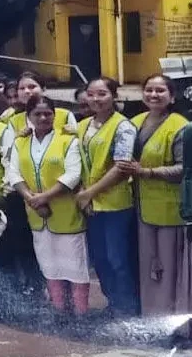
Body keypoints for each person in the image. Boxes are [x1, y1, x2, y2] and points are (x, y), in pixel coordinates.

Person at [7, 96, 89, 316]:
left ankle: (81, 315)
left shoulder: (68, 141)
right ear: (29, 117)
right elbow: (13, 173)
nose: (43, 118)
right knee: (49, 265)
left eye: (48, 113)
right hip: (37, 215)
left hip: (66, 213)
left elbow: (73, 174)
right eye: (37, 114)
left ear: (54, 115)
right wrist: (30, 198)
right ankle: (59, 311)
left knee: (75, 267)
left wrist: (43, 197)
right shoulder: (20, 142)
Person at [73, 77, 139, 317]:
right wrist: (85, 194)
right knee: (99, 259)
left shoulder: (123, 127)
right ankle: (112, 303)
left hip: (115, 205)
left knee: (117, 259)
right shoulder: (83, 126)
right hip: (90, 205)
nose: (96, 99)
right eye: (91, 94)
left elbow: (122, 167)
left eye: (102, 94)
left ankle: (127, 309)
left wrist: (89, 193)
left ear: (114, 96)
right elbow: (79, 162)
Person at [123, 74, 189, 316]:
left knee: (169, 265)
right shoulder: (134, 123)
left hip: (170, 209)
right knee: (147, 263)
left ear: (172, 97)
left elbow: (185, 168)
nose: (153, 95)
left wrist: (146, 172)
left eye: (160, 90)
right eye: (149, 90)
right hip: (141, 206)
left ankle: (172, 315)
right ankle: (150, 315)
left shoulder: (181, 127)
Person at [4, 73, 76, 135]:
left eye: (32, 87)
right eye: (22, 88)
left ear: (43, 88)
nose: (26, 91)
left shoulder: (65, 115)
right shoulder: (13, 121)